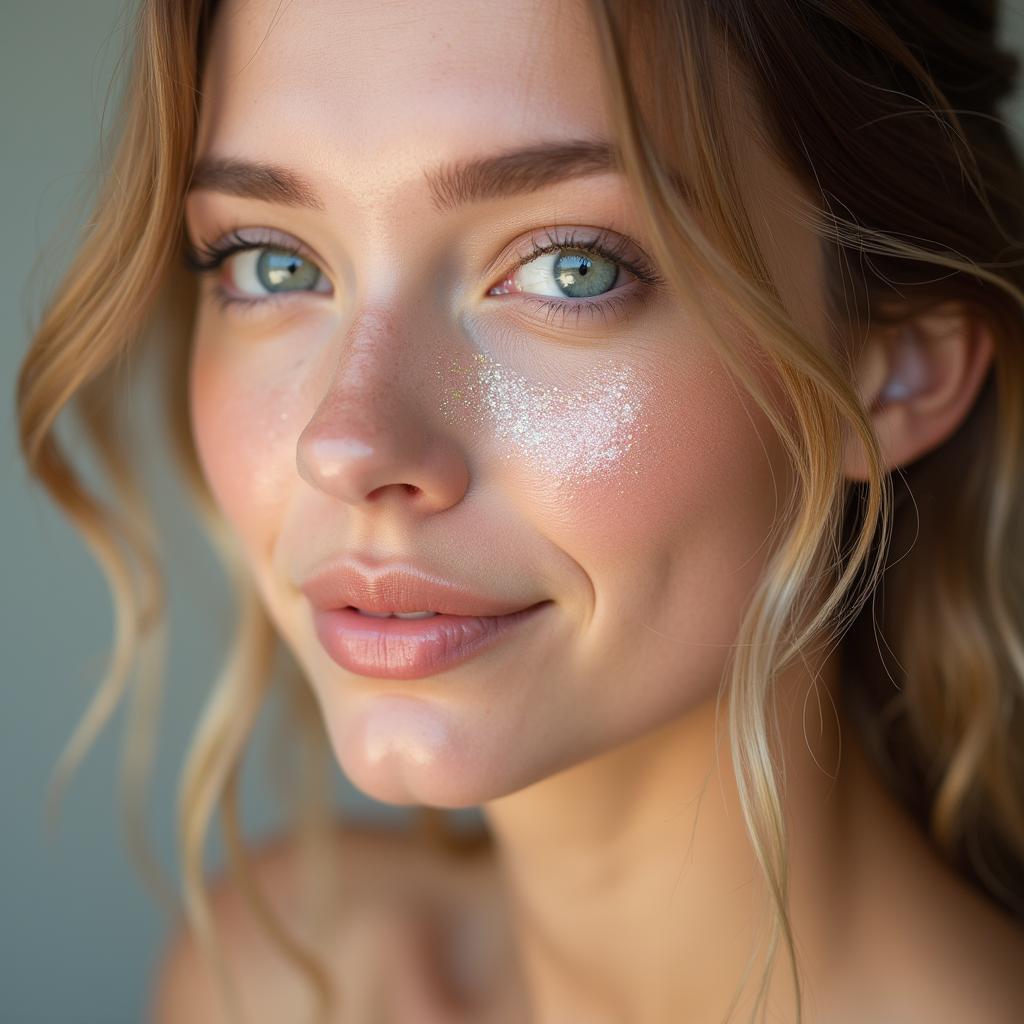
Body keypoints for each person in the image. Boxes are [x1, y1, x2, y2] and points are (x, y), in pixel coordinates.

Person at [15, 0, 1024, 1021]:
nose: (348, 444)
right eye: (272, 261)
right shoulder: (281, 985)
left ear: (895, 369)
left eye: (567, 268)